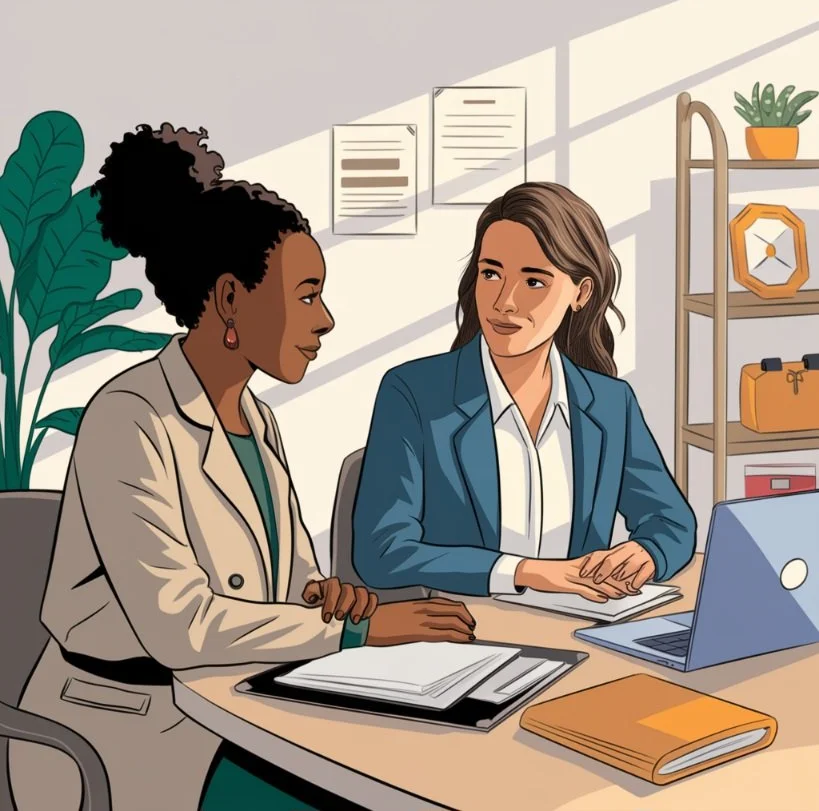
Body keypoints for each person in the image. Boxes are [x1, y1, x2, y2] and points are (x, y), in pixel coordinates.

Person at [8, 124, 476, 811]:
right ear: (230, 298)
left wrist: (327, 597)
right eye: (307, 294)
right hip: (119, 733)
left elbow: (286, 586)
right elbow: (183, 624)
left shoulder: (256, 421)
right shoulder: (130, 418)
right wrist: (356, 628)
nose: (326, 321)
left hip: (233, 706)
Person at [353, 182, 696, 601]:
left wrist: (647, 552)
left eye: (533, 282)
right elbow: (381, 550)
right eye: (491, 273)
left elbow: (672, 519)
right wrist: (527, 573)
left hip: (581, 632)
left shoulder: (609, 403)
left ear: (580, 294)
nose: (504, 302)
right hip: (465, 635)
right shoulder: (414, 393)